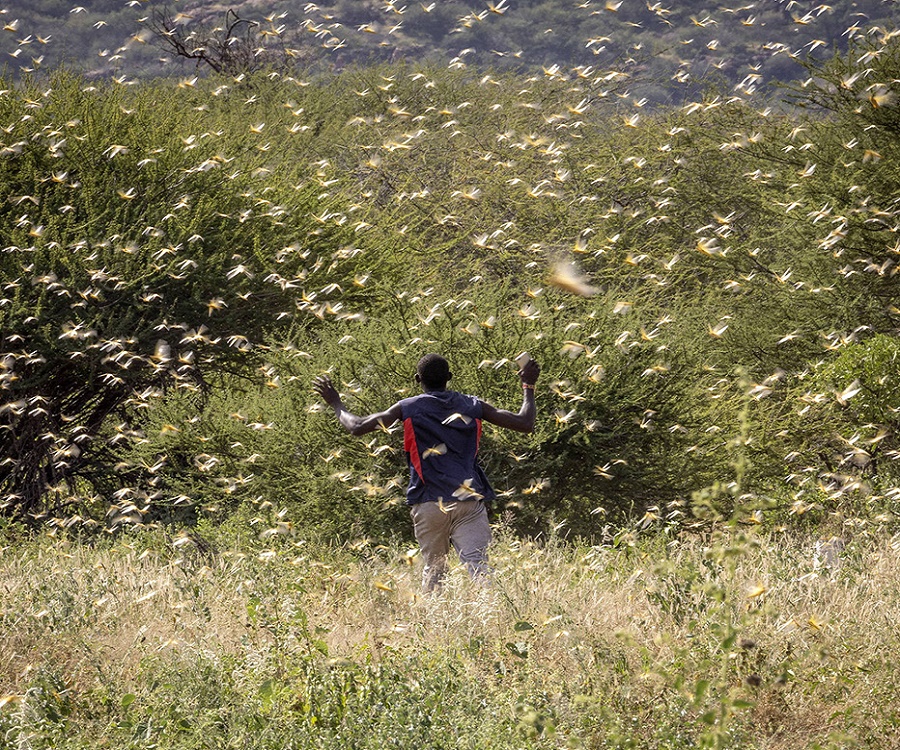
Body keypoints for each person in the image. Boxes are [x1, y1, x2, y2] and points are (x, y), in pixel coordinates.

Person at [313, 353, 539, 592]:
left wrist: (336, 402)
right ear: (450, 378)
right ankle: (495, 619)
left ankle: (434, 624)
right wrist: (528, 385)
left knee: (435, 569)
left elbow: (356, 427)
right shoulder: (473, 406)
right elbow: (525, 423)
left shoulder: (408, 408)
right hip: (468, 500)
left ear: (417, 379)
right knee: (478, 565)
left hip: (429, 501)